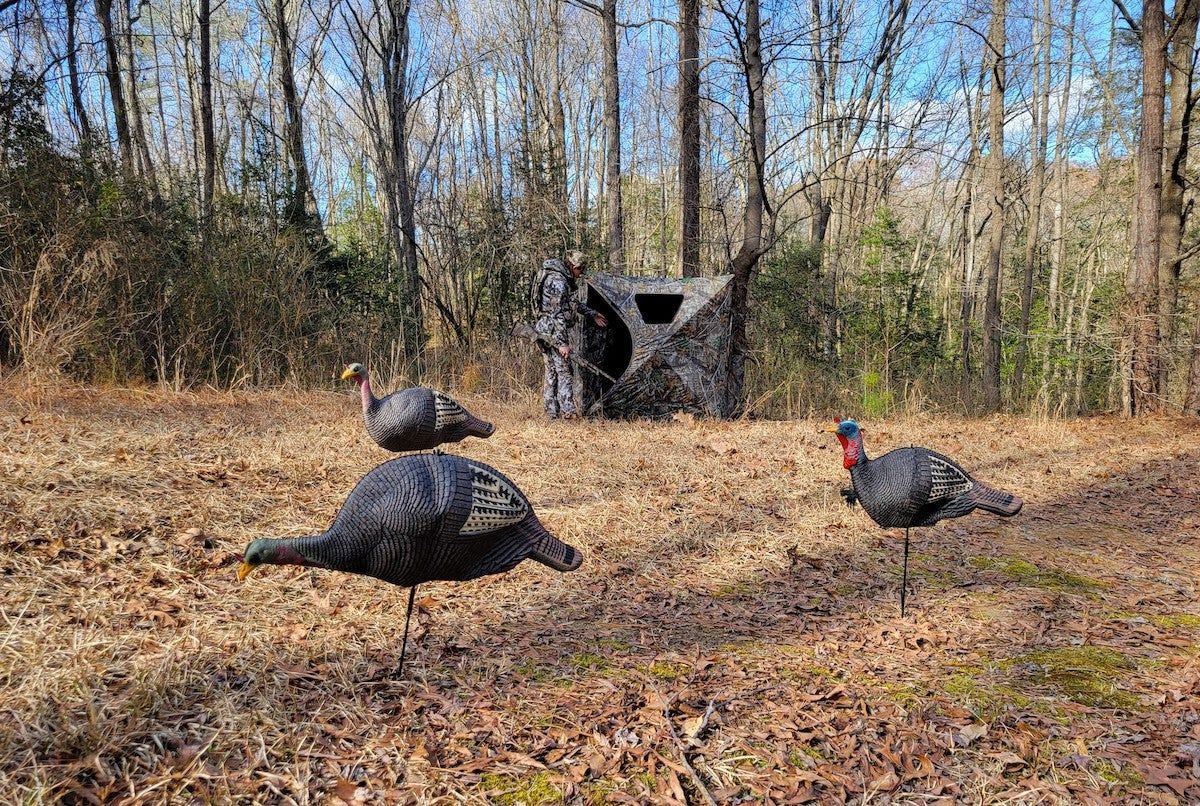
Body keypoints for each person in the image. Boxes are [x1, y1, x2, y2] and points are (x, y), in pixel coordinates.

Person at [532, 250, 608, 419]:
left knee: (551, 371)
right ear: (574, 267)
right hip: (552, 332)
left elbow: (571, 303)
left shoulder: (552, 275)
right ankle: (568, 414)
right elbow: (558, 313)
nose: (580, 274)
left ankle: (551, 414)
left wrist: (592, 313)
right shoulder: (558, 281)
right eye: (580, 270)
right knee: (564, 372)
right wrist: (562, 343)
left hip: (543, 329)